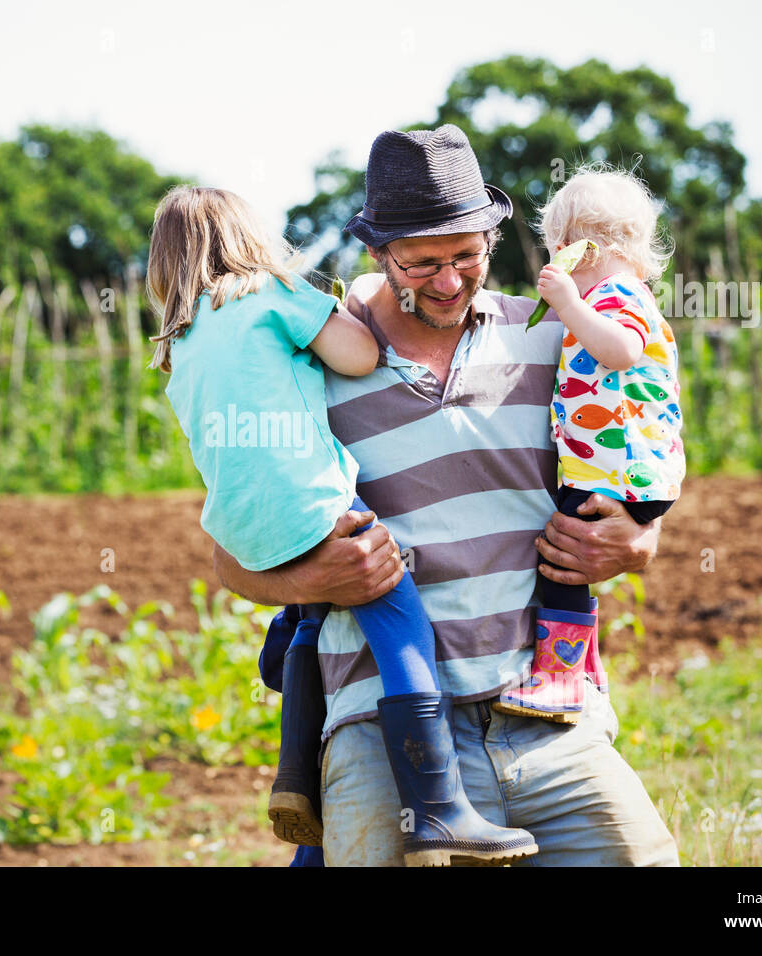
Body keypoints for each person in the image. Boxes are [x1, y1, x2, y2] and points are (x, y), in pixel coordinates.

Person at [215, 125, 680, 866]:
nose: (447, 280)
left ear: (494, 238)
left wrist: (640, 540)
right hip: (382, 727)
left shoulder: (552, 338)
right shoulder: (318, 370)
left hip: (547, 714)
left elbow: (637, 445)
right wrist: (313, 579)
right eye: (420, 262)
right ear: (376, 254)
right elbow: (228, 558)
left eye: (467, 255)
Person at [146, 184, 538, 866]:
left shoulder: (179, 341)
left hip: (245, 524)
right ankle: (440, 807)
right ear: (249, 240)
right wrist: (335, 311)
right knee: (399, 623)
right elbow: (357, 356)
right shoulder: (272, 294)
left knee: (308, 614)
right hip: (314, 505)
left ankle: (297, 776)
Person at [494, 165, 685, 723]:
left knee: (562, 567)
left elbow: (621, 352)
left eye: (558, 246)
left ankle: (560, 679)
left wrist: (571, 305)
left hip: (618, 473)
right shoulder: (617, 295)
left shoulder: (620, 297)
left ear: (584, 248)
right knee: (570, 569)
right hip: (624, 470)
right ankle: (587, 666)